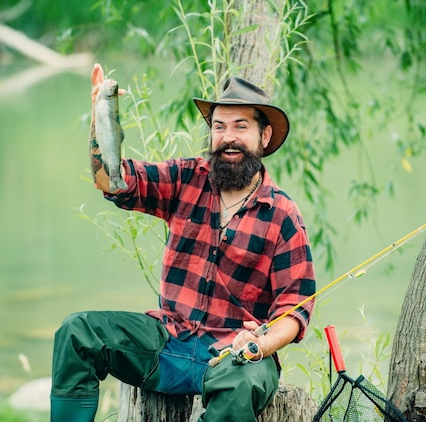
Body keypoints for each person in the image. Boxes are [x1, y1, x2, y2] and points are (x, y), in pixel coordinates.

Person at [49, 64, 316, 422]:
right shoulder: (187, 177)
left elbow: (296, 310)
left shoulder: (282, 214)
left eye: (241, 127)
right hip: (168, 341)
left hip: (233, 356)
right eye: (219, 127)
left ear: (264, 136)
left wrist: (260, 344)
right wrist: (102, 118)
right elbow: (113, 182)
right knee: (77, 332)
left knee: (242, 383)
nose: (228, 137)